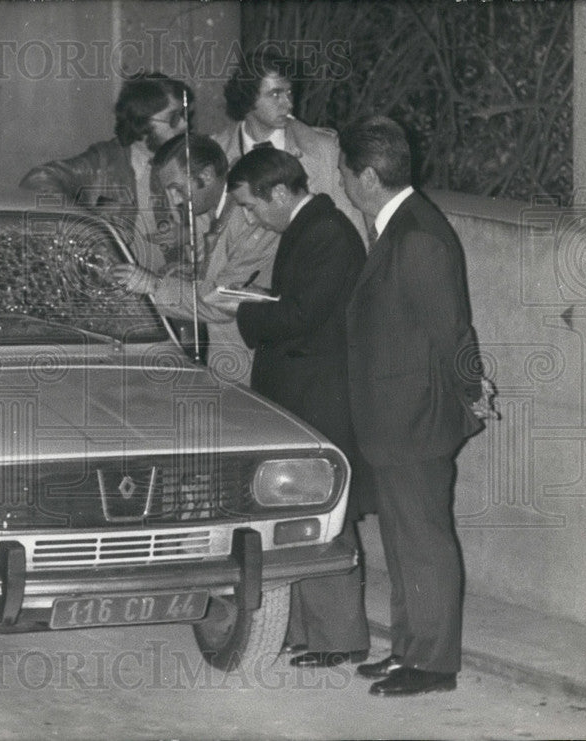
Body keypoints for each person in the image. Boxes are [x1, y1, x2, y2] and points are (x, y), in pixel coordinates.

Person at [337, 115, 484, 697]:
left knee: (422, 541)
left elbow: (451, 331)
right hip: (396, 418)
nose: (343, 182)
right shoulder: (398, 225)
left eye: (346, 173)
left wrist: (470, 396)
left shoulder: (416, 234)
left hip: (414, 419)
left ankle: (433, 663)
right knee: (401, 540)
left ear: (368, 176)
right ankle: (407, 651)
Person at [229, 147, 370, 669]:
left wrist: (243, 310)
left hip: (318, 394)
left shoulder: (327, 234)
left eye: (251, 206)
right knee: (297, 512)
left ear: (281, 194)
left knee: (324, 516)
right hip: (304, 391)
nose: (249, 217)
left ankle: (339, 638)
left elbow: (303, 316)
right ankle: (308, 632)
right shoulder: (311, 229)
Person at [110, 134, 278, 384]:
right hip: (219, 359)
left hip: (249, 366)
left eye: (177, 189)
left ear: (207, 176)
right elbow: (204, 274)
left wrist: (154, 285)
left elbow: (223, 301)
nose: (174, 201)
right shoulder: (207, 210)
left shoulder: (251, 219)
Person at [20, 72, 193, 272]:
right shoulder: (101, 162)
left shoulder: (175, 164)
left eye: (184, 116)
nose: (184, 125)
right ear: (142, 121)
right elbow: (37, 179)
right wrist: (85, 228)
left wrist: (186, 234)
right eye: (173, 118)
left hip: (162, 294)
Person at [213, 49, 364, 239]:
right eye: (275, 94)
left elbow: (352, 228)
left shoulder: (324, 150)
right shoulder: (217, 151)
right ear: (247, 97)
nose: (289, 104)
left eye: (289, 92)